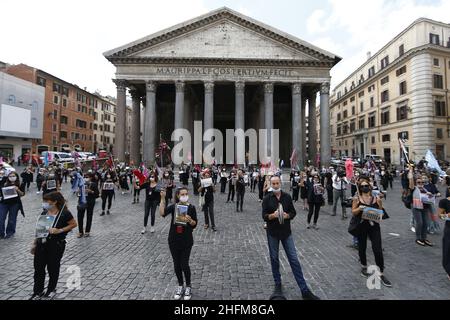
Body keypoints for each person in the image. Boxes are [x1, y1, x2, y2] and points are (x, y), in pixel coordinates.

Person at [262, 175, 319, 300]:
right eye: (273, 183)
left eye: (277, 183)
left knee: (293, 259)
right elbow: (264, 216)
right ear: (271, 184)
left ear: (280, 183)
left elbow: (293, 212)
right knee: (274, 259)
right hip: (273, 233)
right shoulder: (267, 198)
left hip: (286, 232)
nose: (276, 185)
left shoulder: (287, 197)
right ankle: (277, 285)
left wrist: (288, 216)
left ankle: (304, 290)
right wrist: (273, 215)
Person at [29, 192, 77, 299]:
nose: (44, 203)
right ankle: (38, 291)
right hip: (41, 244)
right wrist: (34, 243)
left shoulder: (64, 213)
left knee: (53, 268)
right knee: (38, 268)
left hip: (56, 245)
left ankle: (51, 289)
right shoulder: (44, 212)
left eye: (46, 201)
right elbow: (40, 229)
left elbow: (73, 224)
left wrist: (59, 230)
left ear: (55, 202)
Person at [351, 176, 391, 287]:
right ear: (360, 187)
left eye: (366, 185)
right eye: (362, 186)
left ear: (370, 186)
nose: (364, 187)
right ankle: (364, 265)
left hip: (374, 226)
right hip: (362, 226)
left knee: (377, 249)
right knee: (362, 247)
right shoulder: (357, 198)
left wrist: (379, 204)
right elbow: (353, 212)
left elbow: (381, 213)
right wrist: (360, 208)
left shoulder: (376, 198)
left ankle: (381, 272)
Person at [160, 187, 198, 300]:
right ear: (178, 196)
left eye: (186, 194)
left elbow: (195, 224)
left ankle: (188, 286)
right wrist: (162, 198)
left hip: (186, 240)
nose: (185, 196)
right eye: (182, 194)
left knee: (184, 264)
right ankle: (180, 285)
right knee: (176, 264)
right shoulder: (174, 207)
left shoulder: (191, 207)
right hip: (173, 240)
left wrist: (190, 220)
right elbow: (162, 213)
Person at [408, 169, 434, 247]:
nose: (421, 184)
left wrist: (430, 195)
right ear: (416, 183)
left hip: (425, 207)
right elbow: (411, 182)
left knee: (426, 223)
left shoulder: (425, 189)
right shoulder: (414, 188)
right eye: (419, 182)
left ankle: (424, 238)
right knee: (420, 223)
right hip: (416, 207)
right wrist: (410, 173)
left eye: (422, 182)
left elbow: (432, 196)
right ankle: (418, 238)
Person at [0, 171, 25, 238]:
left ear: (16, 177)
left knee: (12, 219)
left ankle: (10, 232)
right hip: (4, 203)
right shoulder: (4, 183)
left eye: (13, 176)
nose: (12, 177)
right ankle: (1, 233)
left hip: (15, 204)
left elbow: (22, 194)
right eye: (10, 176)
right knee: (1, 218)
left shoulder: (20, 184)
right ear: (8, 177)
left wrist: (18, 190)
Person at [77, 173, 99, 238]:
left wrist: (91, 191)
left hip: (90, 202)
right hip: (82, 202)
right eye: (85, 177)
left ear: (91, 178)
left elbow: (97, 194)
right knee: (80, 217)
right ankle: (80, 232)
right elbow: (78, 194)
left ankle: (87, 231)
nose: (86, 178)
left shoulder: (94, 184)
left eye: (87, 177)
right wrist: (78, 192)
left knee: (89, 216)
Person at [437, 188, 450, 281]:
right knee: (448, 250)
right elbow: (440, 216)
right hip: (449, 229)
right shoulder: (444, 201)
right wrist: (447, 216)